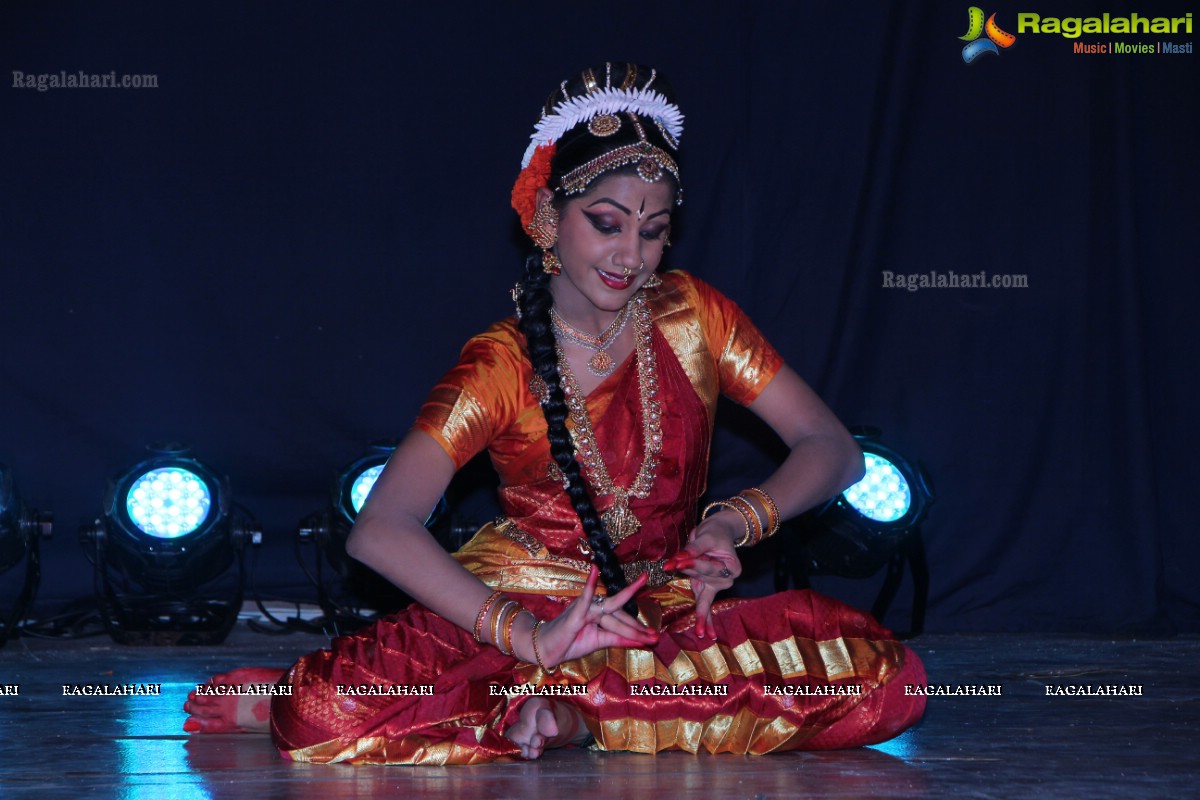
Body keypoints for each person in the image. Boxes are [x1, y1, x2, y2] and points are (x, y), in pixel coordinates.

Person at [184, 62, 926, 764]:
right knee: (316, 716)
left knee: (888, 682)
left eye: (654, 230)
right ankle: (567, 703)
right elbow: (379, 528)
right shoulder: (500, 363)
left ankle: (569, 714)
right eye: (607, 223)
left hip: (660, 608)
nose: (631, 254)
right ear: (547, 214)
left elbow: (832, 446)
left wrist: (731, 525)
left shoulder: (695, 317)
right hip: (524, 603)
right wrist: (531, 637)